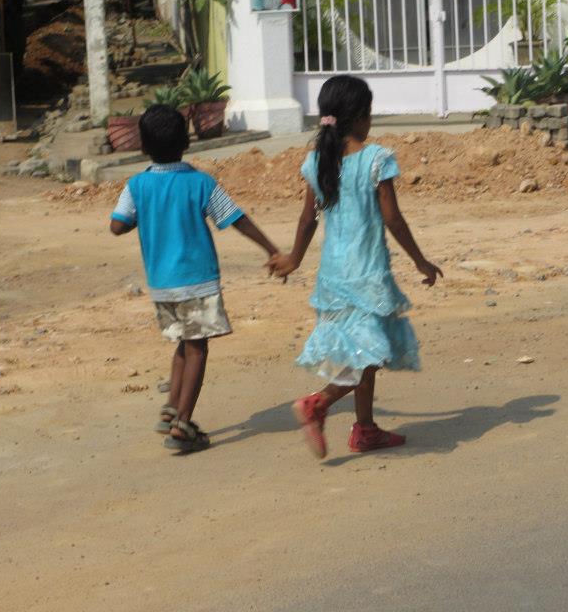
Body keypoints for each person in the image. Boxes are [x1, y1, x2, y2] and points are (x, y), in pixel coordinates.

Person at [268, 76, 443, 459]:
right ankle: (319, 403)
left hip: (333, 276)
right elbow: (393, 220)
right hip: (368, 274)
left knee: (360, 350)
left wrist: (294, 259)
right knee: (370, 353)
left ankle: (365, 429)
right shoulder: (377, 158)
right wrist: (420, 260)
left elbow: (306, 219)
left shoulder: (317, 161)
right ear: (361, 116)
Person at [110, 105, 281, 453]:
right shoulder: (200, 183)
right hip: (197, 280)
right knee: (198, 346)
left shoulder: (137, 184)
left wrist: (142, 218)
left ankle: (172, 407)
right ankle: (183, 424)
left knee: (182, 343)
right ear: (186, 142)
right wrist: (271, 249)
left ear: (143, 145)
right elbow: (236, 218)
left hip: (161, 285)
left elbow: (117, 225)